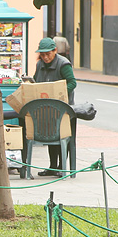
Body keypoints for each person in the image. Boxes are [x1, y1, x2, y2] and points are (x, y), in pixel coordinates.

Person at [32, 36, 76, 178]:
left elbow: (72, 83)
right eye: (42, 54)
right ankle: (52, 166)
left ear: (55, 51)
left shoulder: (64, 64)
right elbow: (36, 81)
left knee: (63, 137)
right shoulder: (40, 65)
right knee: (50, 136)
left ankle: (62, 166)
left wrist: (60, 93)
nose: (45, 57)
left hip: (62, 107)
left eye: (48, 54)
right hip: (46, 107)